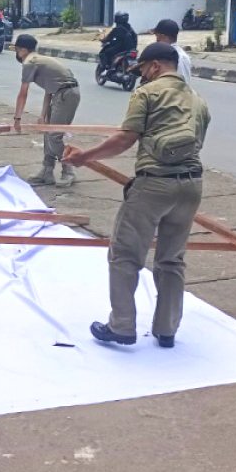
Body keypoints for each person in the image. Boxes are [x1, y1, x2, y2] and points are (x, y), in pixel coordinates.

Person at [62, 43, 210, 350]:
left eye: (141, 69)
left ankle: (122, 326)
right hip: (191, 186)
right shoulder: (198, 101)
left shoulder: (148, 93)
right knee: (171, 260)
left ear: (155, 66)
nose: (140, 76)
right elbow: (196, 145)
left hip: (154, 185)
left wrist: (84, 157)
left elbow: (125, 139)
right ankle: (167, 330)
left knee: (125, 256)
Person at [12, 34, 81, 188]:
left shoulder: (30, 62)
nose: (17, 54)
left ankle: (68, 170)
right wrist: (42, 116)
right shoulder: (39, 60)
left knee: (54, 135)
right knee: (47, 132)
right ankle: (47, 171)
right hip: (60, 93)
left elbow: (23, 93)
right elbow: (48, 90)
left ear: (22, 50)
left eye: (17, 50)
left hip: (67, 94)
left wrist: (17, 118)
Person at [153, 19, 193, 86]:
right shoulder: (181, 54)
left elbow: (180, 83)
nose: (156, 40)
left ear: (162, 37)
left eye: (157, 36)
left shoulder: (174, 56)